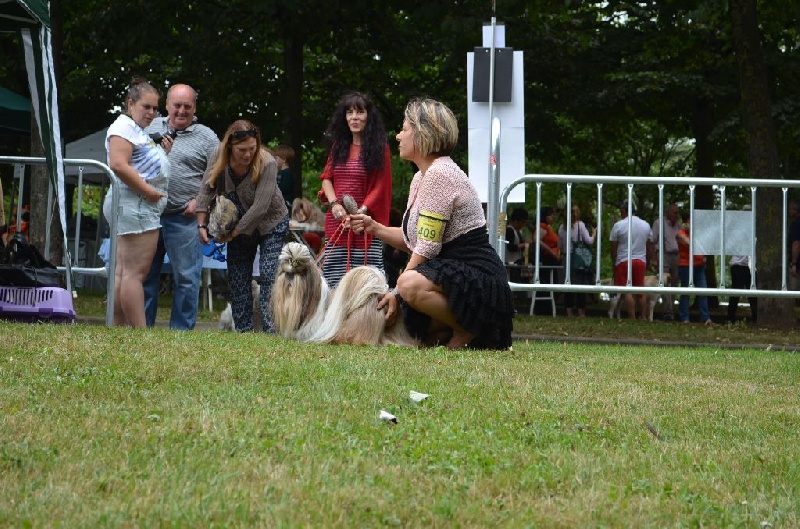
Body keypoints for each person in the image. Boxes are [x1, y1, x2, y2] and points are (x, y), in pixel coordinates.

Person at [350, 98, 514, 349]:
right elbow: (413, 240)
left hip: (479, 278)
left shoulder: (440, 174)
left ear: (422, 134)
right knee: (418, 320)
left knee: (408, 284)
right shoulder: (421, 177)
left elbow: (426, 248)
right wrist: (375, 228)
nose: (397, 136)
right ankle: (450, 328)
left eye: (404, 129)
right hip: (452, 273)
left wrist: (396, 292)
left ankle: (468, 329)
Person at [195, 120, 289, 332]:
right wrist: (201, 224)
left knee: (267, 274)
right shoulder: (218, 154)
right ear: (230, 146)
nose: (248, 155)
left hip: (271, 222)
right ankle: (244, 330)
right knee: (238, 276)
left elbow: (260, 208)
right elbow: (206, 189)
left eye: (252, 149)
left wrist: (233, 233)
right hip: (238, 223)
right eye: (242, 150)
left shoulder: (268, 162)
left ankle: (271, 330)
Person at [143, 83, 220, 330]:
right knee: (145, 276)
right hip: (149, 215)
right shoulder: (148, 127)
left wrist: (200, 202)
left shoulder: (207, 137)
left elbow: (219, 176)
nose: (181, 111)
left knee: (187, 279)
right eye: (177, 105)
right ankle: (142, 327)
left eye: (187, 106)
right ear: (167, 105)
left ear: (194, 107)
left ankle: (181, 332)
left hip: (184, 218)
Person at [102, 77, 170, 327]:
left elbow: (138, 165)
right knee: (134, 274)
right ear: (131, 104)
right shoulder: (123, 128)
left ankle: (118, 328)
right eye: (146, 107)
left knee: (123, 272)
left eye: (155, 108)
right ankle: (140, 334)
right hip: (136, 207)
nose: (152, 113)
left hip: (133, 206)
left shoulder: (133, 129)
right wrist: (149, 192)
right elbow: (118, 164)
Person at [317, 91, 392, 288]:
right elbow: (326, 179)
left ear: (369, 116)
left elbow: (380, 185)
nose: (354, 117)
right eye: (349, 112)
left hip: (364, 224)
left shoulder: (380, 148)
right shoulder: (338, 146)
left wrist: (362, 212)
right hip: (337, 225)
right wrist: (334, 205)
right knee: (333, 281)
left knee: (367, 284)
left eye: (359, 112)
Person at [609, 200, 653, 320]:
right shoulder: (645, 225)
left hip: (623, 260)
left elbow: (613, 247)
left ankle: (632, 317)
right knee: (640, 290)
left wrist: (614, 261)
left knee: (626, 290)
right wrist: (648, 261)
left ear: (623, 210)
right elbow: (649, 246)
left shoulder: (618, 225)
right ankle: (643, 317)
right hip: (640, 260)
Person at [559, 204, 596, 317]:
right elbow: (589, 241)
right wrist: (594, 233)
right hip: (578, 259)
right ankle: (581, 312)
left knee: (568, 285)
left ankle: (569, 311)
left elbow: (560, 245)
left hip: (567, 258)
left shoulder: (562, 227)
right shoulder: (580, 225)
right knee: (580, 285)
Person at [676, 211, 711, 324]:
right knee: (686, 292)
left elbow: (706, 246)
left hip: (699, 265)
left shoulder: (699, 234)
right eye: (690, 222)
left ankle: (705, 318)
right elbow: (691, 244)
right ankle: (684, 318)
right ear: (685, 223)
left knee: (702, 291)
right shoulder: (680, 234)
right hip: (686, 266)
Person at [650, 203, 682, 321]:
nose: (677, 215)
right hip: (663, 254)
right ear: (667, 213)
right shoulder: (659, 223)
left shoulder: (678, 225)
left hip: (676, 256)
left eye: (678, 213)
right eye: (675, 213)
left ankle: (671, 309)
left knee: (674, 282)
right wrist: (653, 258)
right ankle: (667, 312)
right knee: (665, 282)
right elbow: (652, 241)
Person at [505, 207, 531, 283]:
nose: (523, 225)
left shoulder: (518, 232)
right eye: (522, 222)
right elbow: (510, 247)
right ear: (516, 221)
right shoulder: (509, 230)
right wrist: (524, 244)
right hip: (511, 263)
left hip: (517, 263)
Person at [789, 200, 800, 291]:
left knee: (795, 291)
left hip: (798, 265)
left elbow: (796, 244)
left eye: (791, 209)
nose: (789, 211)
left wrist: (794, 263)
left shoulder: (796, 224)